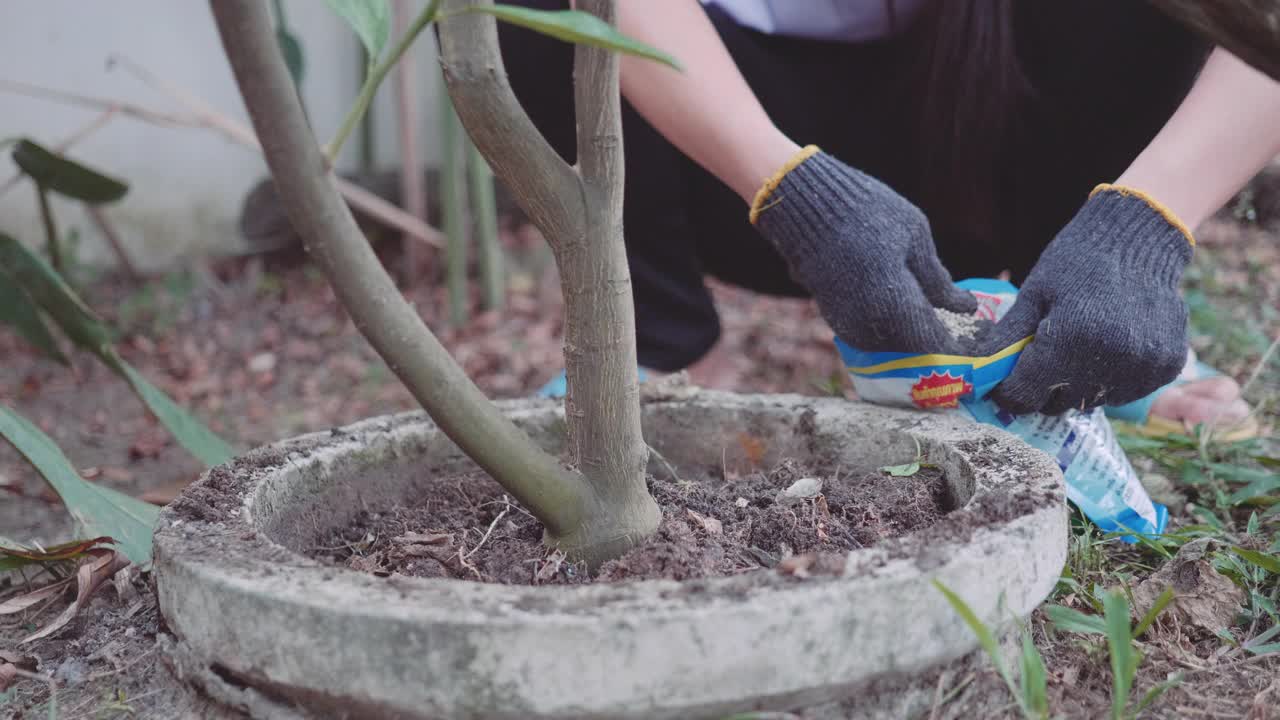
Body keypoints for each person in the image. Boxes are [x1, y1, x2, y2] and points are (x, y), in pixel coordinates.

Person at [499, 0, 1278, 438]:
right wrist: (793, 190)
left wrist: (1142, 225)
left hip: (993, 136)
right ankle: (663, 347)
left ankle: (1077, 319)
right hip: (729, 157)